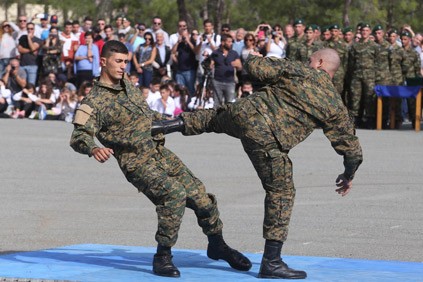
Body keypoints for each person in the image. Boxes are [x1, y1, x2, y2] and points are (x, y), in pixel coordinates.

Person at [152, 48, 363, 279]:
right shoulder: (334, 103)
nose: (307, 61)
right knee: (281, 192)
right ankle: (271, 261)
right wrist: (348, 174)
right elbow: (351, 147)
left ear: (320, 62)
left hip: (244, 113)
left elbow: (256, 69)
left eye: (310, 59)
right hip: (267, 137)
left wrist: (252, 55)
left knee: (212, 118)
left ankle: (162, 127)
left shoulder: (298, 70)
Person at [69, 40, 251, 278]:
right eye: (118, 61)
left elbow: (147, 115)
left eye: (126, 61)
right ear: (103, 62)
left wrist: (172, 121)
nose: (124, 66)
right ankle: (162, 256)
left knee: (201, 197)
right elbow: (78, 136)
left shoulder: (128, 85)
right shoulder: (93, 102)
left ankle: (217, 245)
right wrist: (93, 149)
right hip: (136, 162)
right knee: (173, 195)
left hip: (160, 153)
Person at [210, 34, 242, 107]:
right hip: (217, 82)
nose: (231, 43)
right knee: (217, 104)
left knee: (229, 104)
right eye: (229, 42)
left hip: (230, 82)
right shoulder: (215, 53)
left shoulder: (234, 53)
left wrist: (237, 65)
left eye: (231, 42)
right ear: (223, 42)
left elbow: (240, 67)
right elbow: (211, 65)